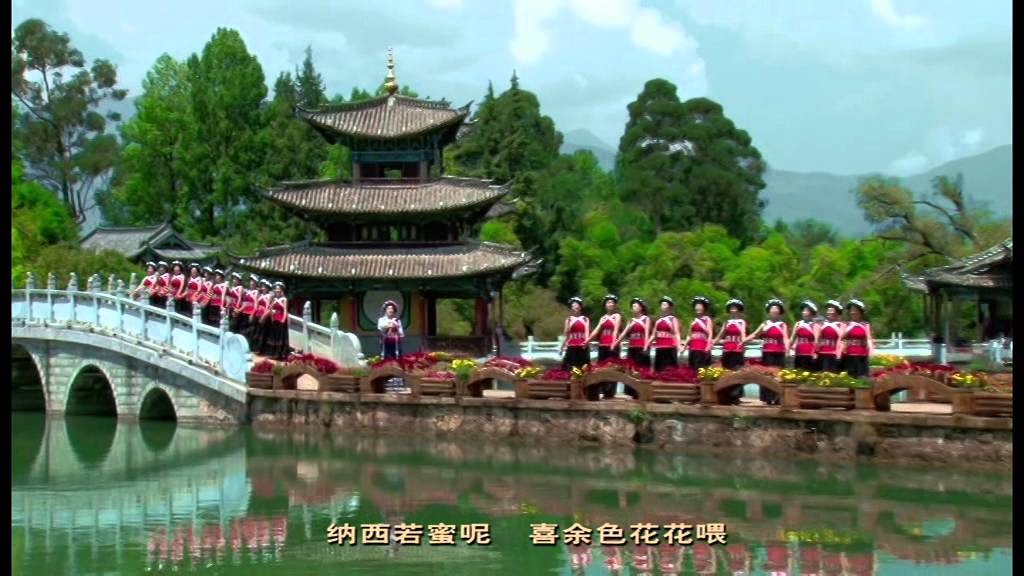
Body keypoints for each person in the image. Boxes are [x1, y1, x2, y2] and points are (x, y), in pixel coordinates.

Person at [745, 298, 788, 404]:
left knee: (778, 375)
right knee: (766, 374)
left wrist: (787, 349)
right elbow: (755, 334)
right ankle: (767, 398)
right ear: (769, 311)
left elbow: (786, 338)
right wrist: (743, 341)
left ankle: (778, 398)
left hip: (779, 352)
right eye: (772, 308)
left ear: (780, 311)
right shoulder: (765, 324)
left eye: (776, 309)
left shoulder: (783, 325)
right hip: (767, 352)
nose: (774, 310)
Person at [587, 294, 622, 399]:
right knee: (601, 367)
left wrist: (613, 343)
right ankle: (602, 389)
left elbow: (616, 330)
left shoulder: (617, 316)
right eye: (608, 303)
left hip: (613, 345)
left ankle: (610, 392)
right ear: (605, 305)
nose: (610, 304)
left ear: (615, 305)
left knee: (613, 368)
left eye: (612, 302)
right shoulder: (603, 317)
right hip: (603, 344)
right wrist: (587, 340)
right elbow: (597, 330)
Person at [646, 296, 683, 372]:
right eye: (662, 304)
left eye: (665, 304)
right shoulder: (658, 321)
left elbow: (677, 333)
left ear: (669, 307)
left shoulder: (673, 319)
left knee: (669, 369)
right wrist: (647, 343)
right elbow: (653, 335)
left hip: (669, 347)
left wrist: (679, 345)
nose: (662, 306)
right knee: (659, 369)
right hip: (659, 347)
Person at [841, 299, 873, 378]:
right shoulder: (847, 324)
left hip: (862, 354)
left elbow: (868, 338)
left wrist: (871, 349)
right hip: (849, 354)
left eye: (855, 310)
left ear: (860, 312)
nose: (853, 312)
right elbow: (841, 337)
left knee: (862, 376)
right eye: (851, 310)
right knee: (850, 376)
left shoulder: (865, 324)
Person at [714, 299, 748, 370]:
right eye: (731, 308)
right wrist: (712, 342)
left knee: (737, 369)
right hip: (727, 348)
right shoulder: (726, 322)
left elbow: (743, 333)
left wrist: (743, 342)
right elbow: (720, 335)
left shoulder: (742, 322)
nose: (733, 310)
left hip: (737, 348)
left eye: (735, 308)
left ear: (738, 310)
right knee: (726, 368)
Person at [262, 282, 291, 360]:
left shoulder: (284, 299)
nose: (277, 293)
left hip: (281, 319)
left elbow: (285, 310)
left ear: (282, 291)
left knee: (280, 336)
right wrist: (272, 316)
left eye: (279, 291)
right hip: (274, 319)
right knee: (274, 336)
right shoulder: (274, 299)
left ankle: (280, 354)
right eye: (276, 291)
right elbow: (270, 308)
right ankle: (273, 353)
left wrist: (283, 320)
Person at [560, 297, 590, 371]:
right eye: (573, 305)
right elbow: (566, 334)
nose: (575, 307)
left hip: (582, 345)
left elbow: (587, 332)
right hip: (571, 346)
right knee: (569, 367)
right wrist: (562, 347)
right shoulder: (569, 319)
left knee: (583, 367)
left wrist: (586, 343)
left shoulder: (585, 319)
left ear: (580, 307)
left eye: (576, 305)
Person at [684, 296, 714, 370]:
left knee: (701, 369)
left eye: (700, 306)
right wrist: (684, 345)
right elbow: (689, 334)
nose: (698, 308)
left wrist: (708, 345)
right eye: (696, 306)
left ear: (704, 307)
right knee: (692, 368)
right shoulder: (693, 320)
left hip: (702, 347)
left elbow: (710, 334)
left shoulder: (707, 319)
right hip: (693, 347)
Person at [789, 300, 819, 371]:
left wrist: (815, 352)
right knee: (797, 372)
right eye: (803, 311)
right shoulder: (798, 324)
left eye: (806, 311)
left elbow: (816, 341)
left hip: (809, 353)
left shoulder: (815, 325)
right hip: (798, 352)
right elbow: (792, 338)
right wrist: (788, 348)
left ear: (811, 313)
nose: (804, 312)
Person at [817, 300, 845, 373]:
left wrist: (838, 353)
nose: (828, 312)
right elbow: (818, 338)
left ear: (837, 312)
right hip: (822, 353)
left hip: (833, 354)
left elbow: (841, 339)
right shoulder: (822, 324)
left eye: (831, 310)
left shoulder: (841, 325)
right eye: (828, 310)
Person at [250, 279, 273, 354]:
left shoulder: (269, 296)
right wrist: (252, 314)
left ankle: (260, 349)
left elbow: (268, 307)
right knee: (256, 331)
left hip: (263, 316)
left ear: (268, 288)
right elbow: (256, 306)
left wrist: (263, 316)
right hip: (257, 315)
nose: (263, 288)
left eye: (265, 287)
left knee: (262, 333)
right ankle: (254, 347)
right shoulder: (259, 295)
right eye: (262, 286)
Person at [236, 274, 260, 341]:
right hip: (244, 312)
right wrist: (239, 310)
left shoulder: (256, 292)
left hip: (250, 313)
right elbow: (245, 303)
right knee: (241, 328)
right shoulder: (248, 292)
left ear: (256, 283)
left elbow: (256, 305)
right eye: (251, 281)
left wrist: (252, 314)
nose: (251, 283)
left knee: (248, 331)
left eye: (253, 282)